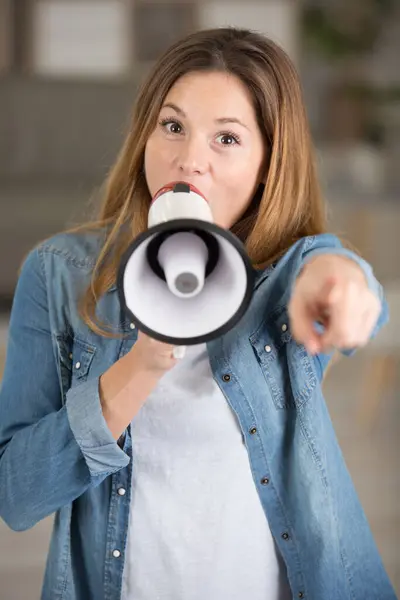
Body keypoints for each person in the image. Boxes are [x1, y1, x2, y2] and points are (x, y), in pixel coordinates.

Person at [0, 27, 396, 600]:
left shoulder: (286, 274)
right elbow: (15, 495)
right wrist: (139, 367)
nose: (189, 161)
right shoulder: (58, 274)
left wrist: (344, 286)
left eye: (227, 140)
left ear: (268, 163)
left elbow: (335, 272)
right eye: (173, 126)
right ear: (144, 135)